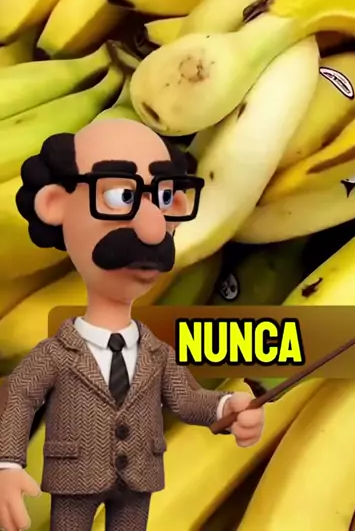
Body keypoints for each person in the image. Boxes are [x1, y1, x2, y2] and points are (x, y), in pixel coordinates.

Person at [0, 119, 265, 531]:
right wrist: (8, 466)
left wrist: (226, 407)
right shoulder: (55, 352)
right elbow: (20, 396)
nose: (153, 228)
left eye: (164, 198)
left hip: (138, 481)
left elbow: (185, 400)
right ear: (54, 205)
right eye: (120, 196)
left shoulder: (157, 353)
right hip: (74, 481)